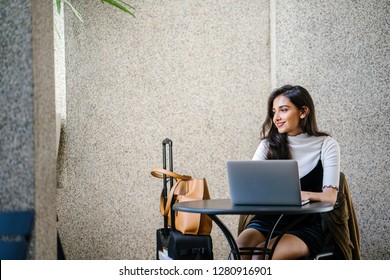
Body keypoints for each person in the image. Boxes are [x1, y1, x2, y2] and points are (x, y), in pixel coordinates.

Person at [236, 84, 340, 260]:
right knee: (239, 252)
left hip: (304, 226)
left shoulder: (326, 144)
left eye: (283, 110)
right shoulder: (267, 145)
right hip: (265, 221)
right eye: (274, 111)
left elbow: (330, 197)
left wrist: (301, 194)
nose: (276, 117)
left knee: (261, 256)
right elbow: (250, 187)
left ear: (303, 112)